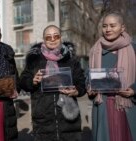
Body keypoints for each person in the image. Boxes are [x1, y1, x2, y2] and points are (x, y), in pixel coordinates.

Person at [20, 25, 86, 141]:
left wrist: (77, 91)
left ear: (60, 37)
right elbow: (23, 82)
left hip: (68, 119)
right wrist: (32, 81)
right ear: (44, 40)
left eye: (56, 36)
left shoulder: (71, 60)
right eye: (48, 37)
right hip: (43, 120)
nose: (52, 39)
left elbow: (81, 82)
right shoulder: (34, 60)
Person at [88, 11, 136, 141]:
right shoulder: (96, 50)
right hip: (103, 106)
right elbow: (89, 76)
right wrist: (90, 87)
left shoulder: (133, 49)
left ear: (122, 28)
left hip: (128, 106)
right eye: (104, 26)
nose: (108, 29)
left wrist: (133, 90)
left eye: (112, 25)